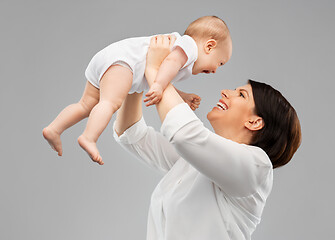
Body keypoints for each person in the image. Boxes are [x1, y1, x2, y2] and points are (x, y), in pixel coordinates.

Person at [113, 35, 301, 239]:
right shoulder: (196, 162)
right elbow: (132, 135)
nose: (226, 92)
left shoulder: (256, 167)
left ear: (254, 122)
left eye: (241, 95)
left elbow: (185, 134)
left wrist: (155, 70)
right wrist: (138, 72)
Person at [42, 16, 232, 165]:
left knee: (85, 105)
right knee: (109, 103)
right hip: (124, 63)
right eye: (220, 62)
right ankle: (89, 137)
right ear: (209, 46)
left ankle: (54, 129)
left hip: (109, 58)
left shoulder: (182, 54)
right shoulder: (189, 46)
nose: (215, 70)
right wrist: (157, 86)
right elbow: (166, 67)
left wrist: (182, 96)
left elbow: (160, 75)